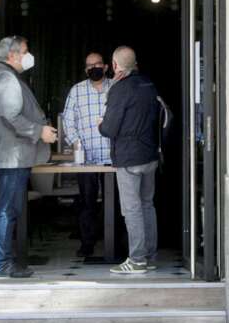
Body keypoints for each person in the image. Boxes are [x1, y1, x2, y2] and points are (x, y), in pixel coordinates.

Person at [0, 36, 57, 278]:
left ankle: (4, 262)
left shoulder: (4, 76)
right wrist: (39, 131)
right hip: (11, 157)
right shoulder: (6, 79)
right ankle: (2, 264)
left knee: (8, 208)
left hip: (11, 156)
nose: (28, 55)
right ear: (12, 55)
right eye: (25, 51)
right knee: (7, 209)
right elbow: (11, 116)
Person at [98, 46, 162, 275]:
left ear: (115, 65)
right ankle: (149, 256)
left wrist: (100, 124)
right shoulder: (148, 84)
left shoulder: (120, 89)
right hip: (150, 155)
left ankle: (136, 260)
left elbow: (109, 128)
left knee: (132, 208)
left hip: (128, 158)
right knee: (147, 205)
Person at [61, 52, 112, 257]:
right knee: (87, 202)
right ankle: (87, 244)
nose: (93, 68)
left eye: (97, 64)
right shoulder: (77, 91)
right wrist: (75, 143)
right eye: (89, 66)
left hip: (113, 156)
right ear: (85, 70)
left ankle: (115, 243)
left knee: (115, 203)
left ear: (106, 66)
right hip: (86, 157)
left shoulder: (116, 88)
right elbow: (68, 120)